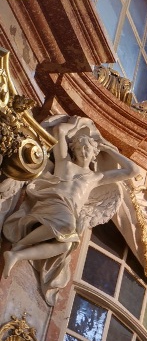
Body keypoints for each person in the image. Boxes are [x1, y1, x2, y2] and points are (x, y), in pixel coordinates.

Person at [2, 116, 139, 303]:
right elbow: (59, 131)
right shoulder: (64, 162)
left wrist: (108, 149)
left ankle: (17, 253)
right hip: (53, 203)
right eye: (80, 148)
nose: (83, 151)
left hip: (68, 211)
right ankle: (21, 245)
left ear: (94, 154)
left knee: (66, 245)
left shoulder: (95, 177)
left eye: (87, 149)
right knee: (67, 226)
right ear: (73, 150)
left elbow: (132, 171)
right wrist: (76, 125)